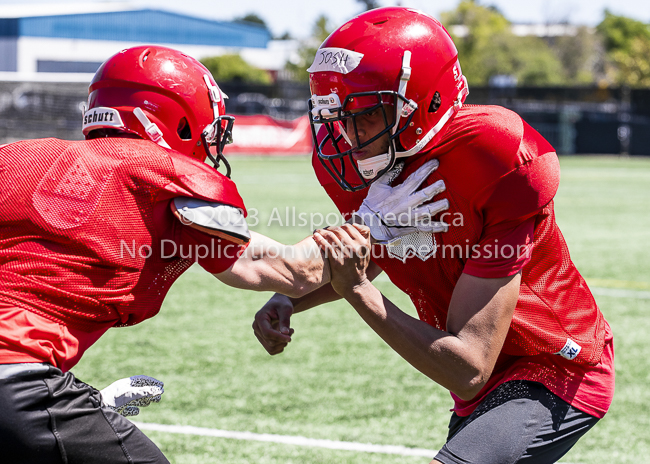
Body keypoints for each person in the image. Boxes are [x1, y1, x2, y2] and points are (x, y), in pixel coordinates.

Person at [0, 45, 445, 464]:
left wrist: (78, 402)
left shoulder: (16, 158)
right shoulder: (163, 174)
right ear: (181, 122)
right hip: (18, 383)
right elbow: (296, 269)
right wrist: (376, 219)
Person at [253, 7, 614, 464]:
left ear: (425, 102)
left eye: (365, 114)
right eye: (338, 114)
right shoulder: (355, 160)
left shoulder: (498, 159)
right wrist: (291, 298)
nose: (346, 134)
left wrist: (360, 292)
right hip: (475, 372)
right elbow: (383, 248)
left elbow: (469, 365)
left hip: (552, 363)